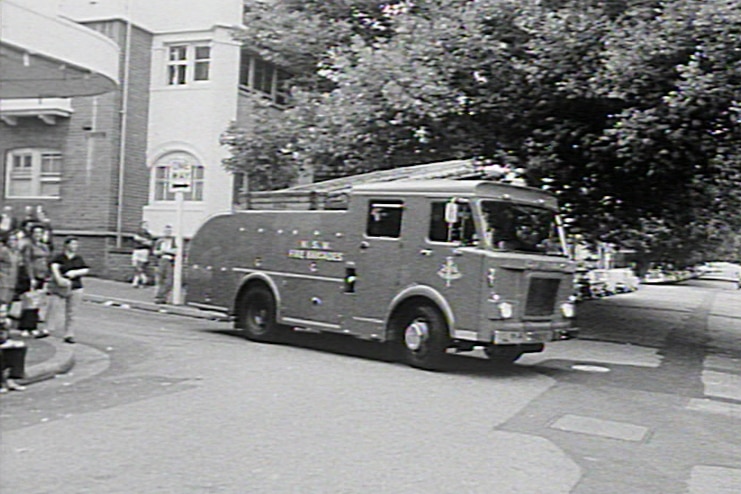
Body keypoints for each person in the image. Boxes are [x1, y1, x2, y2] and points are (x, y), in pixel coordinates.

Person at [47, 237, 89, 344]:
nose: (75, 246)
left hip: (75, 286)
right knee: (53, 308)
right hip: (60, 286)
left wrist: (76, 272)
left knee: (72, 312)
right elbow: (54, 267)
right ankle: (48, 329)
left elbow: (86, 269)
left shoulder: (78, 258)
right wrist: (59, 279)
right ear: (66, 245)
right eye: (72, 244)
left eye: (76, 244)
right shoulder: (59, 257)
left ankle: (69, 334)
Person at [18, 224, 50, 338]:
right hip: (32, 277)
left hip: (41, 276)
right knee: (29, 302)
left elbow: (46, 260)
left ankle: (33, 326)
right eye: (36, 233)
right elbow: (27, 262)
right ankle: (25, 326)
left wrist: (47, 276)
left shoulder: (43, 246)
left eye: (40, 233)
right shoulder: (29, 246)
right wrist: (31, 278)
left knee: (37, 302)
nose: (38, 235)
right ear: (31, 234)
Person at [0, 303, 27, 393]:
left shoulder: (5, 322)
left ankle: (11, 379)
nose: (3, 314)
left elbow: (5, 336)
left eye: (4, 312)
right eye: (1, 312)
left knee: (19, 347)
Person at [153, 225, 177, 304]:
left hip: (170, 261)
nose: (168, 233)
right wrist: (163, 251)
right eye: (166, 231)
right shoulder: (160, 241)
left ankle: (164, 296)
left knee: (169, 281)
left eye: (169, 231)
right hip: (161, 260)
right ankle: (159, 297)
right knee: (160, 280)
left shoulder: (174, 241)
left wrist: (167, 251)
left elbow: (176, 251)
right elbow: (155, 252)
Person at [131, 221, 154, 288]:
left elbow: (150, 243)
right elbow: (136, 238)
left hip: (144, 250)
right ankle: (144, 278)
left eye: (146, 225)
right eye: (144, 225)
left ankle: (135, 282)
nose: (145, 227)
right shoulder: (138, 232)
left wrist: (142, 240)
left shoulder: (148, 234)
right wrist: (144, 240)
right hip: (136, 250)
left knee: (141, 265)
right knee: (135, 265)